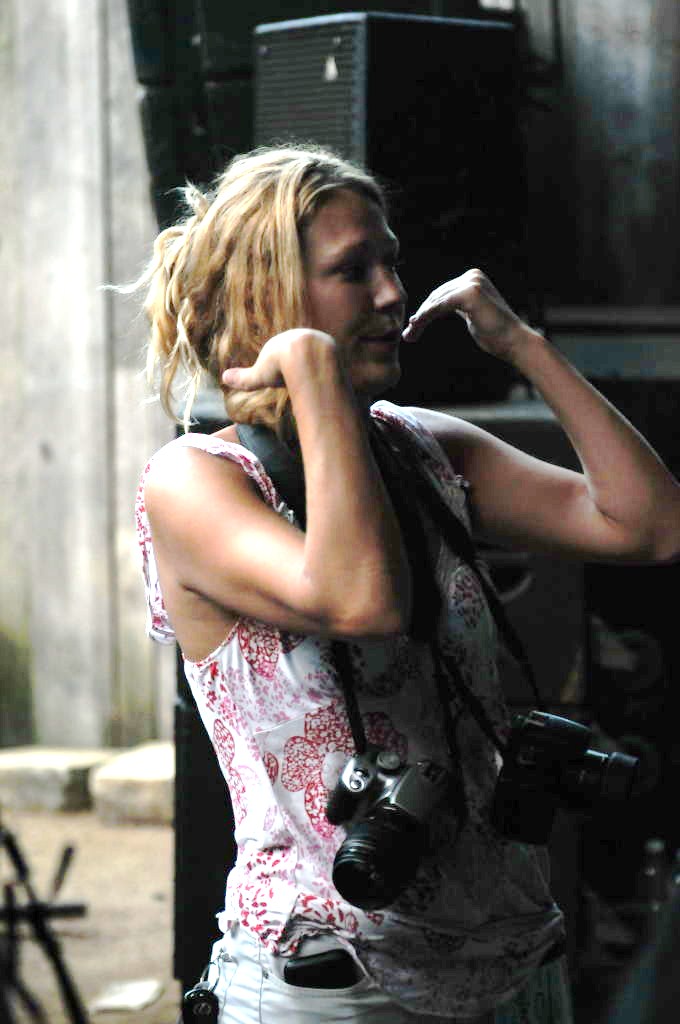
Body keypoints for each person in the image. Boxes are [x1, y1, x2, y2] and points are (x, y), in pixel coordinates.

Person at [133, 145, 680, 1024]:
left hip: (518, 966)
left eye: (391, 262)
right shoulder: (197, 483)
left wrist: (524, 347)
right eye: (354, 270)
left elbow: (650, 526)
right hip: (338, 990)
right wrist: (312, 372)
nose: (392, 293)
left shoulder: (423, 448)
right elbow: (362, 600)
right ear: (269, 296)